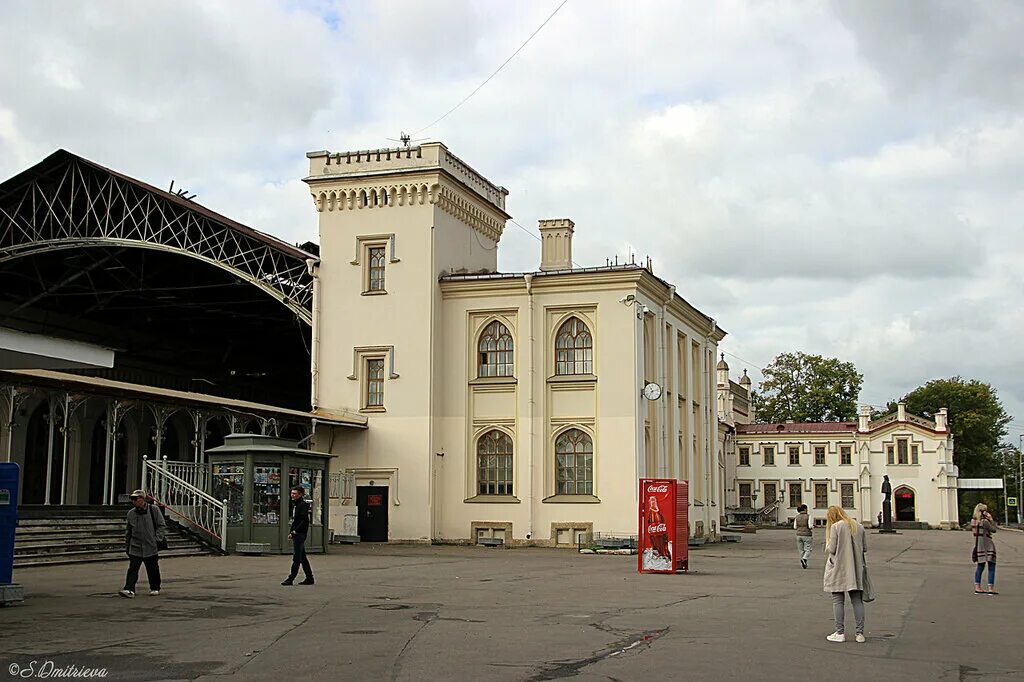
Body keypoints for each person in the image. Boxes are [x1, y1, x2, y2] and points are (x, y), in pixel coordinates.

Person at [822, 505, 867, 643]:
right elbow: (864, 548)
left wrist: (828, 543)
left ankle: (840, 632)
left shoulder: (836, 527)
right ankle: (860, 634)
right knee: (857, 601)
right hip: (855, 568)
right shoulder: (859, 526)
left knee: (838, 600)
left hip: (839, 568)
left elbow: (832, 548)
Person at [119, 489, 166, 598]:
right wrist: (128, 546)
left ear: (142, 499)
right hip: (136, 545)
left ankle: (155, 587)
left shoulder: (153, 510)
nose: (133, 501)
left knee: (152, 567)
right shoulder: (131, 513)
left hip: (150, 545)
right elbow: (128, 531)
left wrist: (157, 539)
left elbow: (161, 525)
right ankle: (129, 588)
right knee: (133, 568)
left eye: (135, 499)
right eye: (132, 499)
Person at [282, 486, 314, 586]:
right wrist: (292, 532)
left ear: (300, 494)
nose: (292, 495)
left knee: (297, 557)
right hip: (297, 533)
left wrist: (295, 531)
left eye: (295, 493)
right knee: (302, 557)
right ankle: (309, 578)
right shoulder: (296, 505)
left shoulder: (302, 505)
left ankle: (291, 578)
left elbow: (304, 520)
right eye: (292, 493)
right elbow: (295, 520)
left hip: (300, 533)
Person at [971, 503, 997, 595]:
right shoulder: (984, 522)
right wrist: (991, 519)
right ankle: (990, 589)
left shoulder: (973, 521)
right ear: (983, 511)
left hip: (979, 547)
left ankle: (977, 587)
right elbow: (994, 529)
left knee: (980, 567)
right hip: (988, 546)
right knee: (991, 567)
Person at [794, 504, 813, 568]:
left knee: (801, 550)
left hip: (798, 535)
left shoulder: (797, 517)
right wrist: (812, 527)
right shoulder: (808, 516)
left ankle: (803, 562)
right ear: (805, 509)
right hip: (807, 535)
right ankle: (804, 559)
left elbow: (795, 527)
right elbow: (810, 526)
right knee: (808, 549)